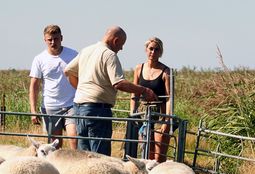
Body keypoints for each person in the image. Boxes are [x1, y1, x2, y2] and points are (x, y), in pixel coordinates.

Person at [64, 25, 157, 156]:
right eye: (122, 44)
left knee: (83, 155)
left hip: (79, 108)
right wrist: (144, 90)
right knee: (99, 156)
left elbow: (68, 71)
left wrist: (81, 88)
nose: (121, 48)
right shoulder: (109, 55)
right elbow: (118, 83)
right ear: (115, 40)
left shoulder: (87, 50)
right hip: (97, 110)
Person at [29, 25, 78, 149]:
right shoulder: (39, 59)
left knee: (74, 138)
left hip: (71, 104)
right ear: (44, 40)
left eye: (56, 39)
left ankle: (74, 166)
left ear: (61, 38)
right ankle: (57, 167)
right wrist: (33, 111)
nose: (53, 42)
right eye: (49, 39)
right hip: (50, 106)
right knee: (55, 144)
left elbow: (83, 76)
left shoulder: (73, 54)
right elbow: (34, 86)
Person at [130, 37, 171, 163]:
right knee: (146, 152)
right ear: (146, 50)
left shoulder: (166, 71)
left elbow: (169, 98)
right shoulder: (139, 68)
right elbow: (134, 93)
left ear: (160, 52)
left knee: (158, 156)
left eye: (156, 49)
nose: (153, 52)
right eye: (151, 48)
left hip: (159, 113)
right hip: (143, 112)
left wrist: (166, 121)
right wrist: (133, 112)